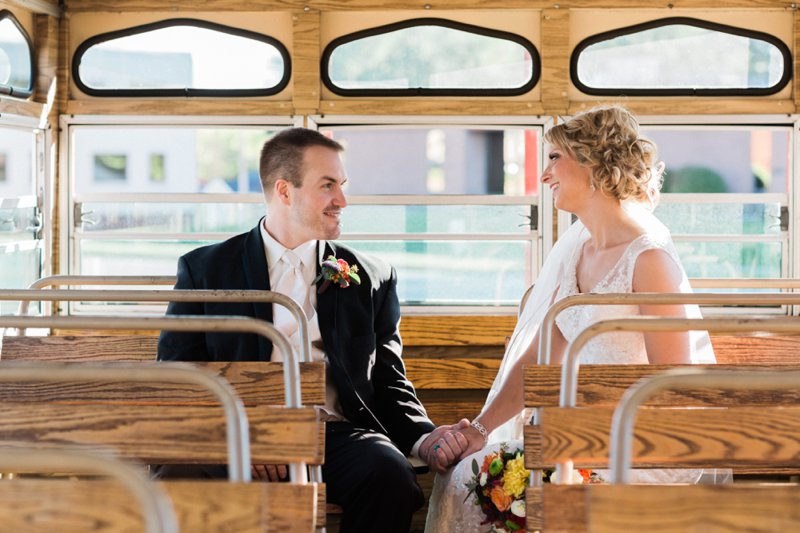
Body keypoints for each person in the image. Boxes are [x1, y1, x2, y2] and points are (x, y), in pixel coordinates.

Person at [156, 128, 468, 533]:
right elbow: (181, 377)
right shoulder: (206, 270)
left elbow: (389, 382)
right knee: (180, 478)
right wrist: (250, 430)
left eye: (343, 185)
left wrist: (425, 438)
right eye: (328, 186)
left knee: (389, 476)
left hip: (334, 434)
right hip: (235, 431)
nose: (343, 200)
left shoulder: (372, 276)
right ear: (285, 191)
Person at [424, 105, 719, 532]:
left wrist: (583, 434)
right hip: (573, 436)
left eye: (553, 158)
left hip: (635, 448)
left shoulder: (649, 260)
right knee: (464, 476)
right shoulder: (576, 255)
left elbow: (669, 389)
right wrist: (482, 430)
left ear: (593, 162)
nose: (545, 176)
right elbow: (539, 359)